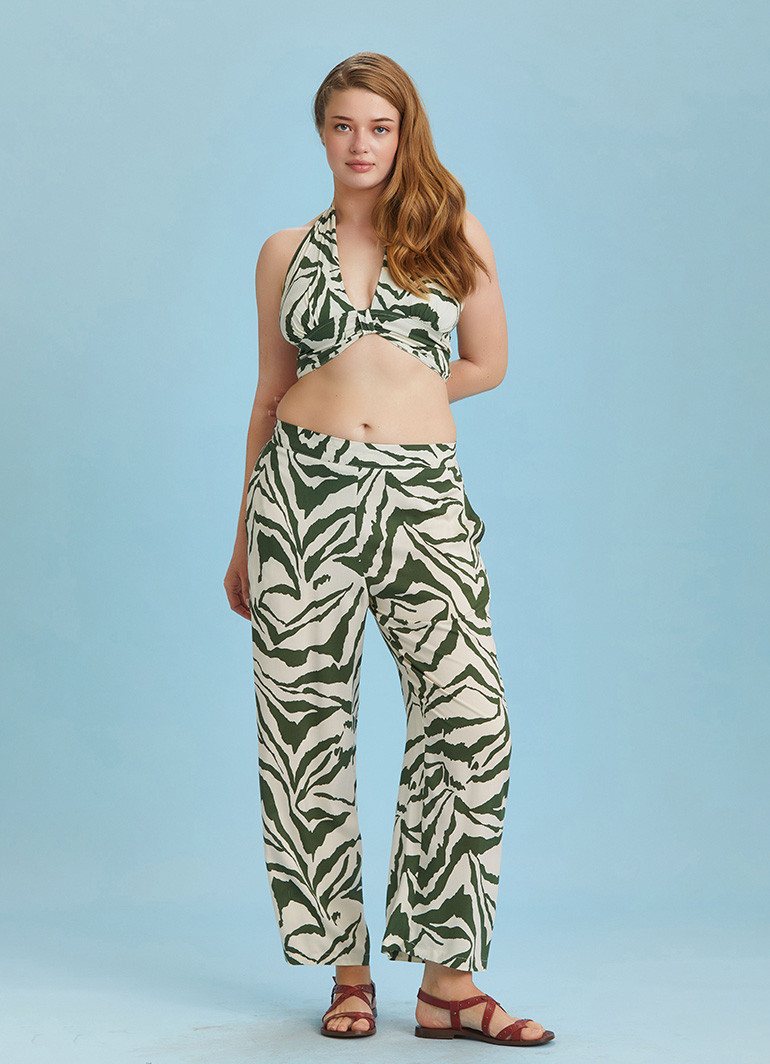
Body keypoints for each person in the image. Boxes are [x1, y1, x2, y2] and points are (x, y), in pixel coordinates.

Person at [224, 52, 554, 1047]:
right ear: (321, 134)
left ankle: (449, 984)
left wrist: (400, 394)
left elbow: (486, 361)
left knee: (470, 718)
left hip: (421, 500)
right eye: (342, 126)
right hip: (300, 499)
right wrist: (242, 535)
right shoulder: (284, 251)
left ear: (405, 133)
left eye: (378, 126)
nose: (360, 144)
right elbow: (268, 392)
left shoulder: (453, 235)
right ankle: (348, 974)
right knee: (305, 735)